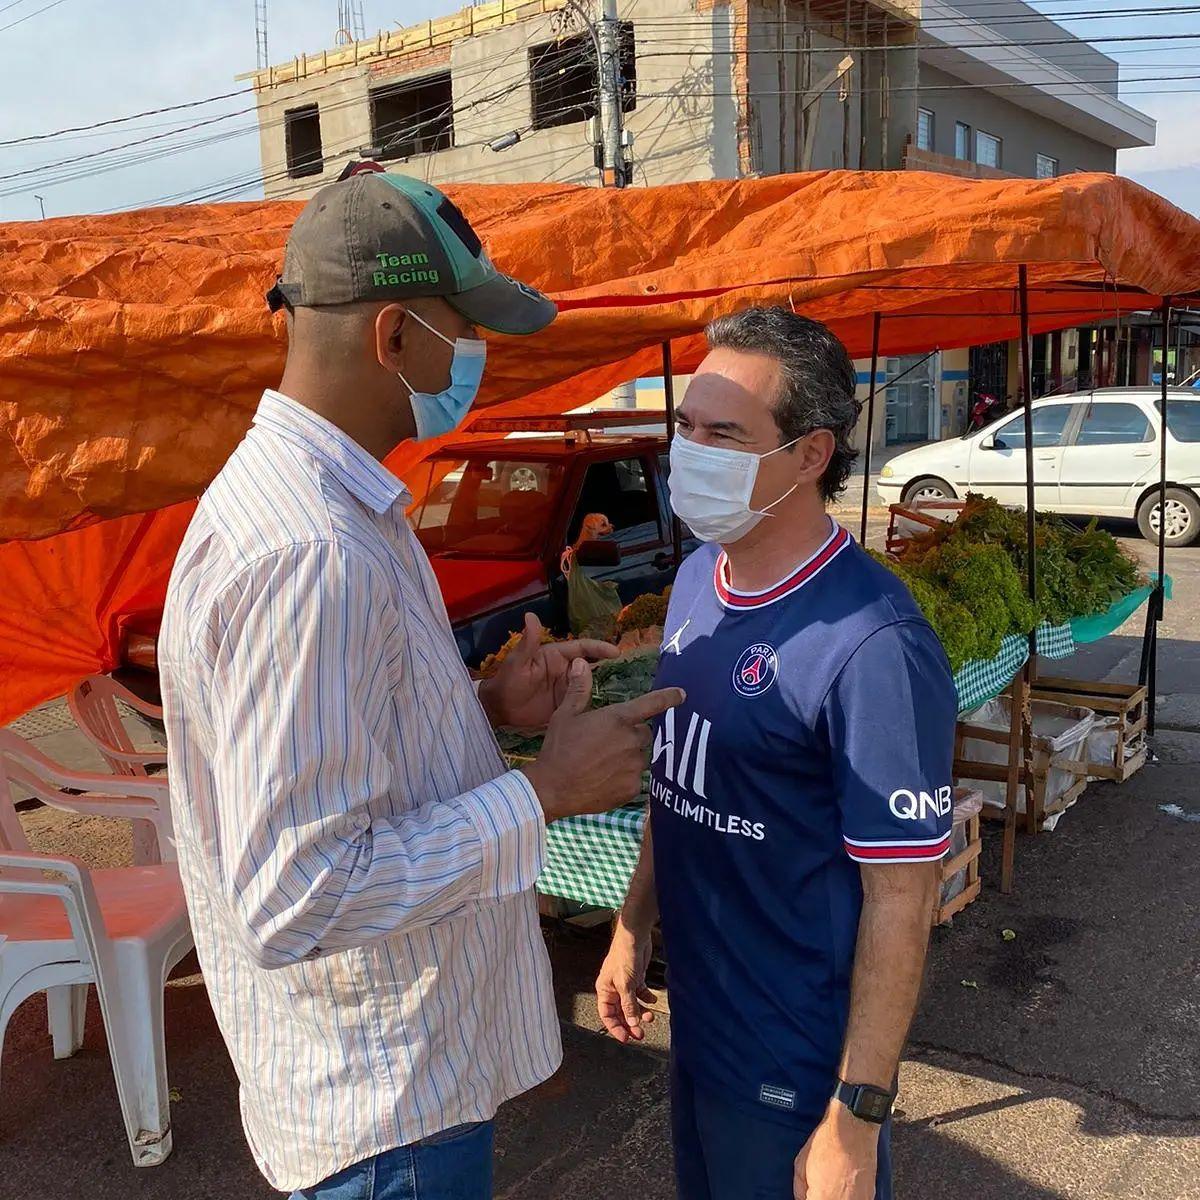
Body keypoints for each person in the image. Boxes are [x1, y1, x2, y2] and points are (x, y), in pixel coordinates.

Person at [158, 172, 682, 1199]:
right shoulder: (309, 550)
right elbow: (295, 893)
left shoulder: (331, 504)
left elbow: (337, 747)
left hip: (386, 1086)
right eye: (464, 329)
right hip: (382, 1113)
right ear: (393, 336)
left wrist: (486, 707)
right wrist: (544, 792)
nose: (479, 360)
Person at [595, 307, 958, 1200]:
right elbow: (677, 779)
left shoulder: (873, 644)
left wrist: (857, 1117)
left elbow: (903, 896)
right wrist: (632, 925)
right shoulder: (695, 577)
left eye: (724, 433)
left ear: (809, 454)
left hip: (796, 1063)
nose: (691, 451)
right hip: (704, 1026)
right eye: (685, 426)